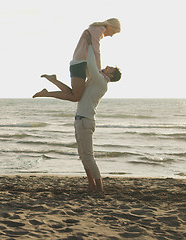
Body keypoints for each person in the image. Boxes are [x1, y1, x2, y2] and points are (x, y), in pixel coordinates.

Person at [34, 32, 122, 193]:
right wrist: (93, 47)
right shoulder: (95, 81)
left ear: (110, 75)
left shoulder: (101, 81)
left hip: (86, 121)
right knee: (83, 157)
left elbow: (91, 64)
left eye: (110, 68)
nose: (106, 66)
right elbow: (88, 70)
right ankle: (91, 185)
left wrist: (89, 43)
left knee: (88, 156)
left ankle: (99, 188)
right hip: (80, 120)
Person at [33, 18, 121, 101]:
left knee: (76, 94)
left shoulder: (97, 30)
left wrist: (100, 73)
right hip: (80, 62)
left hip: (82, 62)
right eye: (113, 32)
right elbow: (96, 51)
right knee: (76, 97)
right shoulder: (97, 30)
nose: (112, 35)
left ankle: (53, 80)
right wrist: (98, 69)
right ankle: (46, 93)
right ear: (111, 26)